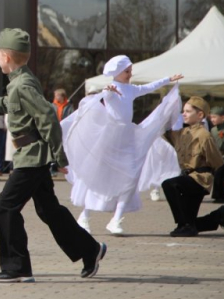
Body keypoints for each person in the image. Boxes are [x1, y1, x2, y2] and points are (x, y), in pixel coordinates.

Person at [0, 28, 106, 283]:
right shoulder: (20, 82)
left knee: (6, 207)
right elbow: (17, 104)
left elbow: (47, 117)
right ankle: (89, 249)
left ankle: (17, 267)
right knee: (49, 210)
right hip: (31, 156)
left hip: (32, 158)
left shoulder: (22, 84)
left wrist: (59, 157)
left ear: (5, 57)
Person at [67, 56, 183, 235]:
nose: (130, 74)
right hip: (110, 138)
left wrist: (168, 79)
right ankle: (84, 216)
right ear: (117, 72)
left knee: (131, 176)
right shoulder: (111, 89)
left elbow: (148, 87)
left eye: (130, 70)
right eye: (127, 71)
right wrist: (109, 90)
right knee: (100, 175)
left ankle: (116, 218)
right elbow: (106, 94)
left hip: (127, 137)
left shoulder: (131, 89)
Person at [162, 97, 224, 237]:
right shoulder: (183, 133)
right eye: (183, 111)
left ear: (200, 115)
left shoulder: (204, 135)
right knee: (192, 223)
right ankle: (219, 215)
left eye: (188, 111)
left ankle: (184, 225)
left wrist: (206, 171)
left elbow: (217, 161)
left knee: (169, 185)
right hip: (188, 178)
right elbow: (166, 132)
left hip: (200, 179)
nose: (184, 114)